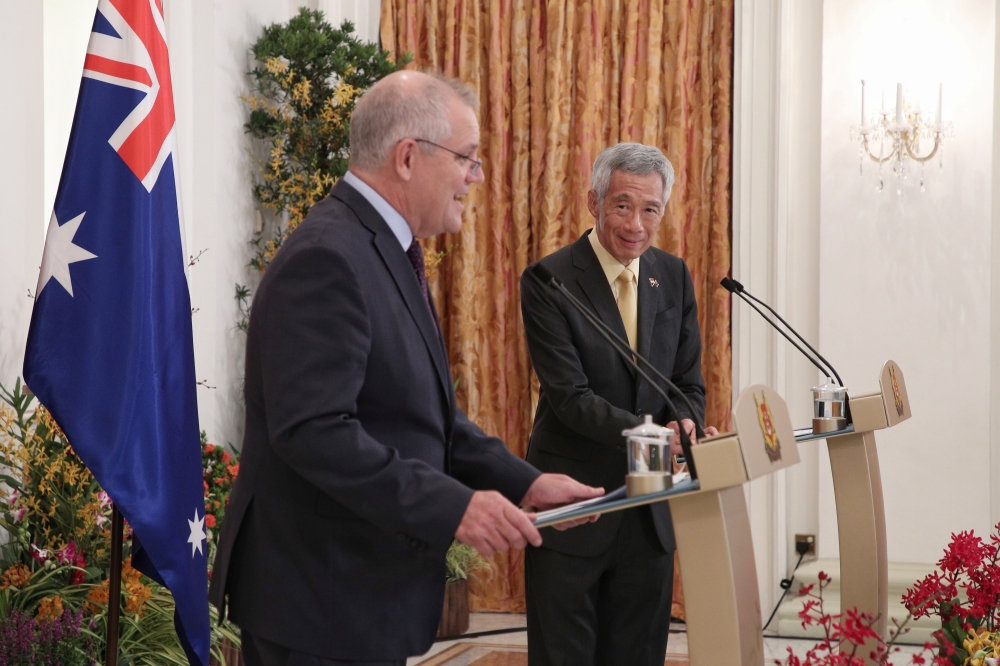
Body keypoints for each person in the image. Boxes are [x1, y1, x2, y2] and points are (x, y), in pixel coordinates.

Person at [207, 70, 602, 666]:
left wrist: (526, 482)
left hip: (357, 599)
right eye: (467, 157)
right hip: (320, 603)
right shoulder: (327, 257)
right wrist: (454, 506)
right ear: (409, 157)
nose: (476, 176)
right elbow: (314, 431)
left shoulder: (382, 248)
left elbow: (425, 414)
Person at [520, 142, 718, 666]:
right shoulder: (550, 280)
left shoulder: (672, 275)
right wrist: (656, 436)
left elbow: (687, 384)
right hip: (575, 507)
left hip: (648, 512)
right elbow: (570, 398)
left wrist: (686, 424)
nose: (636, 224)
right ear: (594, 201)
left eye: (650, 209)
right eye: (622, 205)